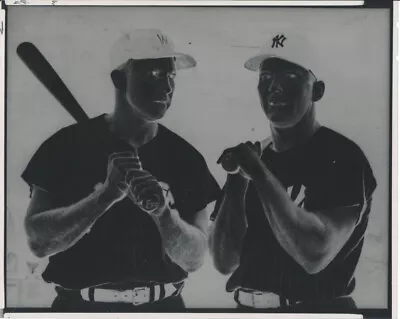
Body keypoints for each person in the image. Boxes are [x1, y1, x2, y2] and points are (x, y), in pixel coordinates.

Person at [21, 29, 221, 311]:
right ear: (118, 78)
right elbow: (38, 243)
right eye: (153, 74)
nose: (167, 87)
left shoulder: (186, 157)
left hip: (164, 307)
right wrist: (104, 196)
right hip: (79, 309)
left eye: (171, 75)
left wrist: (163, 213)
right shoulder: (65, 146)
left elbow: (195, 259)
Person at [209, 31, 377, 312]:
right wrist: (236, 182)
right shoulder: (252, 157)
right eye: (266, 78)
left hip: (316, 310)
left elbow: (315, 254)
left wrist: (259, 174)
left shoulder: (343, 156)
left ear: (317, 90)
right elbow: (224, 262)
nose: (275, 87)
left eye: (290, 77)